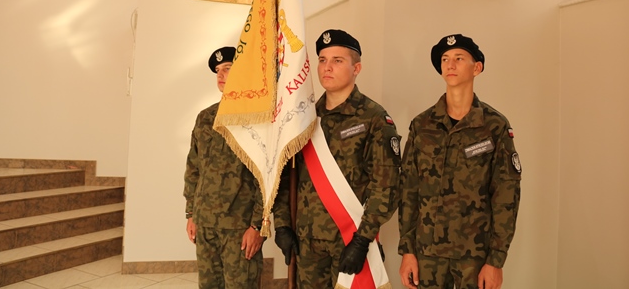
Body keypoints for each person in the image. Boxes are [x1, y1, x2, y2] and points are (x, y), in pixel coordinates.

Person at [272, 29, 402, 288]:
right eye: (322, 60)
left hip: (350, 240)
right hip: (307, 243)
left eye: (337, 60)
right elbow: (285, 177)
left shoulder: (374, 118)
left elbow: (386, 187)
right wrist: (282, 225)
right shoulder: (304, 118)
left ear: (357, 68)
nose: (327, 67)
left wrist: (362, 240)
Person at [398, 34, 521, 289]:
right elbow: (409, 189)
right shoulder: (422, 125)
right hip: (427, 253)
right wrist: (407, 251)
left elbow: (506, 195)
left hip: (474, 256)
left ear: (477, 68)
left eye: (459, 58)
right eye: (445, 59)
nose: (450, 64)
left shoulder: (494, 126)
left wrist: (496, 260)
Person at [183, 46, 265, 289]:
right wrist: (191, 214)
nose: (220, 74)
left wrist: (258, 225)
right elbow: (193, 168)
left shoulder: (257, 117)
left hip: (239, 227)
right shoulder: (205, 117)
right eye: (218, 70)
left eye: (227, 68)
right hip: (205, 224)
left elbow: (266, 176)